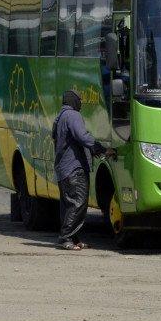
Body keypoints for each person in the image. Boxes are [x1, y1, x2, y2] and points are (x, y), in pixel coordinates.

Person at [52, 89, 115, 250]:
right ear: (73, 101)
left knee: (68, 204)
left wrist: (89, 151)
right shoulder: (73, 115)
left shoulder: (60, 116)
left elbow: (69, 141)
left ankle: (74, 238)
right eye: (79, 100)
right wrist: (100, 149)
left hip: (63, 168)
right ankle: (66, 238)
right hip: (74, 168)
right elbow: (82, 136)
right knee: (78, 203)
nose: (81, 103)